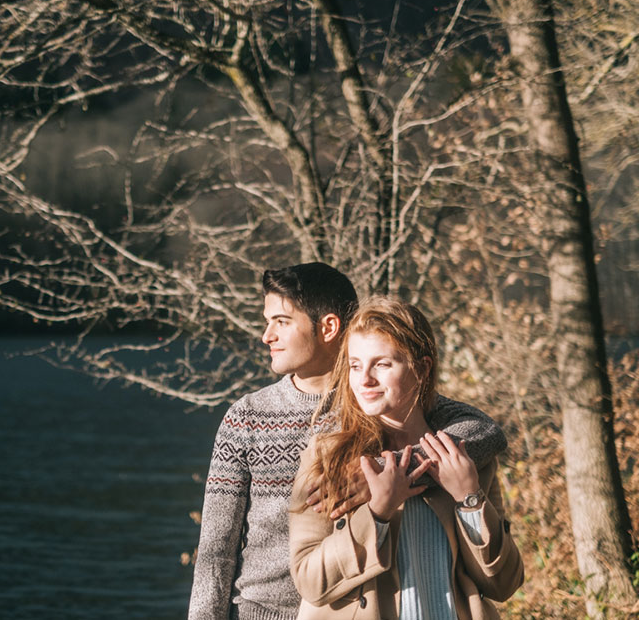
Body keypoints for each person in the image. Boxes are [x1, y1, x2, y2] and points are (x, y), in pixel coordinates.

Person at [189, 264, 508, 620]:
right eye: (268, 321)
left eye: (281, 321)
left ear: (327, 327)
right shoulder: (248, 416)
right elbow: (216, 549)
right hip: (262, 613)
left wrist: (393, 471)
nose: (266, 335)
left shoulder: (384, 404)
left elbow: (484, 430)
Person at [288, 297, 524, 619]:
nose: (365, 379)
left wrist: (469, 499)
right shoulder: (327, 455)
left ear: (422, 367)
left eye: (382, 364)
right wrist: (376, 513)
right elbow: (309, 581)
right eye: (356, 365)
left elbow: (505, 584)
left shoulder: (464, 455)